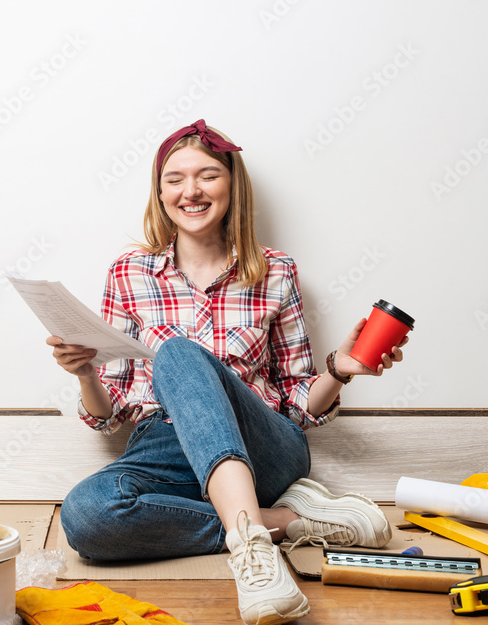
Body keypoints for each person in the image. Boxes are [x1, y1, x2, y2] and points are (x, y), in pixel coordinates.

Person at [46, 119, 407, 625]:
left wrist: (339, 372)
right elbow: (114, 410)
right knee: (86, 518)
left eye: (207, 175)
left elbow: (297, 401)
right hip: (165, 446)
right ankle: (288, 523)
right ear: (160, 191)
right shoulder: (128, 273)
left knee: (175, 353)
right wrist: (85, 374)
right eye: (175, 179)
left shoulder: (275, 270)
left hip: (263, 444)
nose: (190, 191)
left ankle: (252, 558)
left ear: (232, 185)